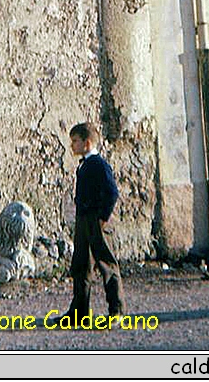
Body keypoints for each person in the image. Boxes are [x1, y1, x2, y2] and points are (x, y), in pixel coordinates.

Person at [60, 121, 126, 325]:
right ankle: (79, 313)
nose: (72, 146)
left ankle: (117, 311)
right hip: (83, 220)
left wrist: (103, 217)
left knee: (106, 263)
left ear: (87, 143)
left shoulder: (99, 164)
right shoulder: (84, 165)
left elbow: (112, 192)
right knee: (80, 265)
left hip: (95, 220)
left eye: (75, 141)